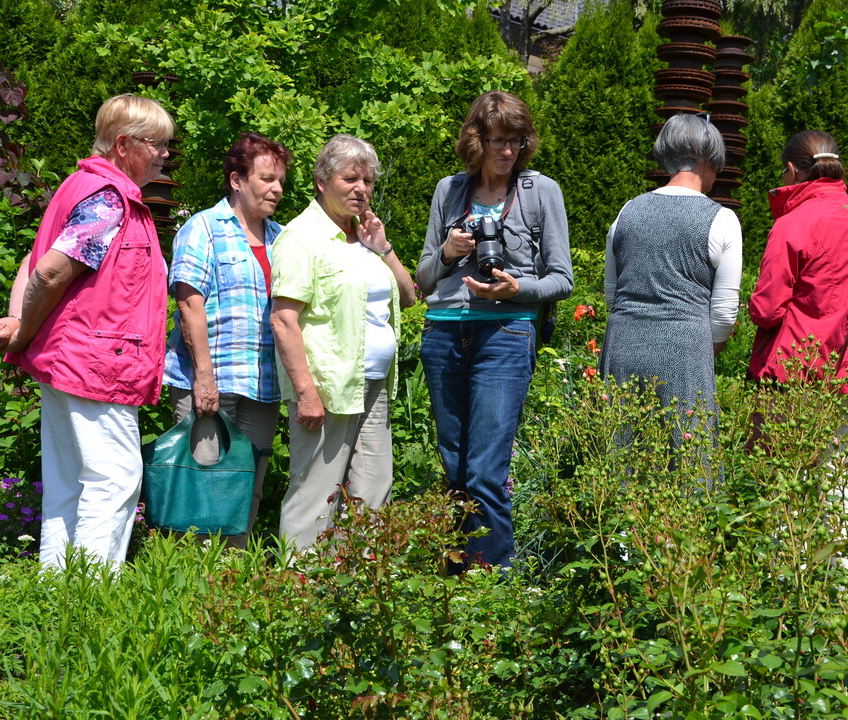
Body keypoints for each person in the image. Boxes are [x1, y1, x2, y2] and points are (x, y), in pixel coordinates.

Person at [0, 94, 174, 568]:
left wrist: (20, 321)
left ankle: (55, 587)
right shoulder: (109, 199)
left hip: (70, 360)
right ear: (124, 145)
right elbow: (47, 272)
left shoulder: (81, 187)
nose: (166, 154)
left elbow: (33, 261)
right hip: (97, 364)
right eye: (158, 144)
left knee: (68, 478)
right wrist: (21, 328)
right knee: (115, 477)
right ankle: (89, 597)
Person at [417, 90, 573, 571]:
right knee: (455, 468)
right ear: (476, 140)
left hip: (505, 333)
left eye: (516, 140)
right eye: (498, 140)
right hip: (444, 332)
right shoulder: (449, 190)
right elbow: (423, 279)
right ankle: (455, 578)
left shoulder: (540, 191)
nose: (507, 151)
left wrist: (515, 289)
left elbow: (562, 279)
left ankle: (494, 587)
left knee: (485, 470)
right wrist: (449, 251)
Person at [270, 134, 416, 551]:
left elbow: (407, 296)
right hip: (327, 390)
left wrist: (382, 247)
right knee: (316, 493)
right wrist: (306, 394)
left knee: (374, 490)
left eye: (368, 181)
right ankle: (298, 594)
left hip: (372, 386)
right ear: (321, 180)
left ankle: (353, 592)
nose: (361, 189)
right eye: (351, 178)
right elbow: (283, 320)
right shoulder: (302, 237)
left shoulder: (363, 238)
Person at [748, 130, 848, 548]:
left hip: (794, 371)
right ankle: (845, 590)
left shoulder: (792, 223)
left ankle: (783, 589)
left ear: (793, 170)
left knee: (784, 485)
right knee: (840, 484)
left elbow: (767, 309)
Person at [163, 132, 291, 548]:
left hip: (262, 383)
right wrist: (204, 377)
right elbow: (189, 305)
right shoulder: (203, 227)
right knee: (203, 482)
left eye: (281, 181)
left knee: (246, 485)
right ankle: (192, 579)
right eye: (267, 178)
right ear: (237, 180)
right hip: (210, 380)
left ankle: (231, 582)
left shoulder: (281, 238)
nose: (276, 189)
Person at [598, 112, 742, 474]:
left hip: (623, 345)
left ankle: (616, 530)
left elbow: (613, 293)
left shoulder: (626, 212)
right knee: (688, 463)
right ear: (708, 160)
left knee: (621, 459)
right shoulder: (721, 219)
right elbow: (724, 313)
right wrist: (703, 349)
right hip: (685, 350)